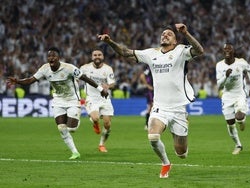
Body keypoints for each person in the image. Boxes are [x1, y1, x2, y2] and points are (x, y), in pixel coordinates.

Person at [98, 23, 204, 178]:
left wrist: (186, 33)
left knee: (182, 154)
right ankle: (166, 163)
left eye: (169, 34)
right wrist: (109, 42)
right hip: (160, 106)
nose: (165, 35)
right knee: (153, 136)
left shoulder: (181, 50)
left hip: (178, 108)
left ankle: (182, 129)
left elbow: (200, 51)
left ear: (175, 40)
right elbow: (126, 52)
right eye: (163, 33)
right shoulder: (151, 53)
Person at [7, 47, 108, 160]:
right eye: (49, 56)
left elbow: (85, 78)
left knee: (72, 128)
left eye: (54, 56)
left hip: (72, 100)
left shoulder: (69, 68)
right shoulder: (45, 69)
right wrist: (17, 81)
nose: (51, 58)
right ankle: (75, 152)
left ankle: (82, 120)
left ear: (58, 57)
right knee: (61, 128)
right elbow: (30, 80)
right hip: (58, 100)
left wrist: (100, 89)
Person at [216, 41, 250, 155]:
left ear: (233, 51)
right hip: (227, 96)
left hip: (239, 94)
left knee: (239, 117)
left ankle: (242, 121)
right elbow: (219, 85)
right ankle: (238, 145)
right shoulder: (220, 65)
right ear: (223, 52)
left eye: (229, 49)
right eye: (225, 49)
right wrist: (225, 75)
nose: (227, 51)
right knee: (230, 123)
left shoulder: (241, 63)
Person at [80, 48, 115, 153]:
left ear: (103, 57)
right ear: (92, 57)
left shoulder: (108, 69)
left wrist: (108, 86)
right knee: (95, 118)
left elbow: (112, 83)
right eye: (95, 55)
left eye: (99, 55)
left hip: (104, 98)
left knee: (107, 124)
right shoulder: (85, 68)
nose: (97, 57)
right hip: (91, 97)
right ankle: (94, 122)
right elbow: (76, 78)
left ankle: (101, 144)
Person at [139, 65, 153, 130]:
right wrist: (147, 85)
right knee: (151, 106)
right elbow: (142, 76)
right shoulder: (150, 68)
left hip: (157, 90)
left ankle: (150, 124)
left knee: (153, 107)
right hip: (151, 91)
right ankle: (147, 124)